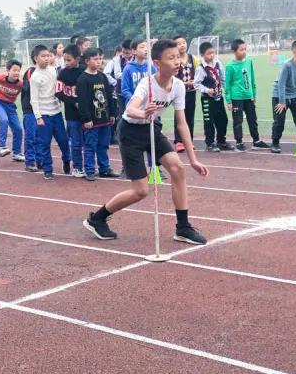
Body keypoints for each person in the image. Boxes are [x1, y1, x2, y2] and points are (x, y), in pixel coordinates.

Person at [83, 39, 209, 244]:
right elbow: (130, 109)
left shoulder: (178, 86)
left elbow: (182, 123)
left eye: (178, 57)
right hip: (130, 131)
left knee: (178, 168)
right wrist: (143, 112)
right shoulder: (147, 83)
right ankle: (97, 219)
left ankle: (183, 228)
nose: (177, 62)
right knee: (140, 191)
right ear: (157, 63)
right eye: (171, 58)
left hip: (152, 129)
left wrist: (193, 158)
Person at [76, 47, 120, 181]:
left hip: (104, 119)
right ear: (87, 61)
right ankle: (89, 170)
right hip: (92, 121)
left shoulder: (102, 76)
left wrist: (112, 113)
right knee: (90, 145)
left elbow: (109, 96)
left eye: (100, 58)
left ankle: (104, 169)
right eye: (96, 59)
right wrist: (86, 119)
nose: (99, 61)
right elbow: (82, 101)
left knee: (103, 145)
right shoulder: (83, 79)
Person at [30, 44, 70, 180]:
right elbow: (33, 99)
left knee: (64, 141)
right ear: (36, 58)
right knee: (45, 143)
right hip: (44, 115)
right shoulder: (35, 77)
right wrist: (38, 117)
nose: (46, 58)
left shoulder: (53, 71)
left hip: (56, 113)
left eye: (48, 55)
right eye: (43, 56)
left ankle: (66, 160)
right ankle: (48, 169)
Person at [224, 38, 269, 151]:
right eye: (241, 49)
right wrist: (229, 101)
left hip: (249, 96)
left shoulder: (249, 61)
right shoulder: (230, 66)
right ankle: (239, 142)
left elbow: (252, 77)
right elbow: (227, 84)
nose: (244, 51)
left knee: (252, 119)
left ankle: (256, 140)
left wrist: (254, 93)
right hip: (236, 97)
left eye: (245, 49)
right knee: (238, 120)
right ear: (234, 51)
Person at [270, 40, 296, 154]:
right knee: (279, 120)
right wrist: (282, 102)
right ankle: (275, 143)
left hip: (293, 95)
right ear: (294, 51)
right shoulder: (287, 65)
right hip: (279, 95)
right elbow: (281, 84)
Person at [194, 41, 230, 151]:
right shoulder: (201, 69)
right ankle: (210, 143)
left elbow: (223, 78)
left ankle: (221, 141)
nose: (212, 55)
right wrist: (206, 90)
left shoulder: (218, 64)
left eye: (213, 53)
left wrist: (226, 90)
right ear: (202, 55)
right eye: (209, 53)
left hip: (219, 97)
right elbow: (196, 84)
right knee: (209, 121)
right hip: (207, 99)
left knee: (223, 119)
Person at [56, 45, 85, 177]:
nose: (66, 63)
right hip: (71, 115)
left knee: (88, 142)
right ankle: (77, 167)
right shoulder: (62, 73)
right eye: (64, 60)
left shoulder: (84, 71)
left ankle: (89, 166)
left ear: (77, 59)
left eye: (69, 60)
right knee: (76, 142)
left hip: (87, 114)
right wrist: (74, 103)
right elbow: (58, 92)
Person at [173, 35, 199, 151]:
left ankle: (189, 140)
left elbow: (198, 73)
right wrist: (184, 83)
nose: (182, 45)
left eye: (183, 42)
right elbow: (172, 77)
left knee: (190, 116)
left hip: (191, 91)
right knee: (179, 116)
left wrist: (195, 81)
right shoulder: (174, 59)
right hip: (179, 92)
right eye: (178, 43)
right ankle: (179, 141)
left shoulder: (193, 58)